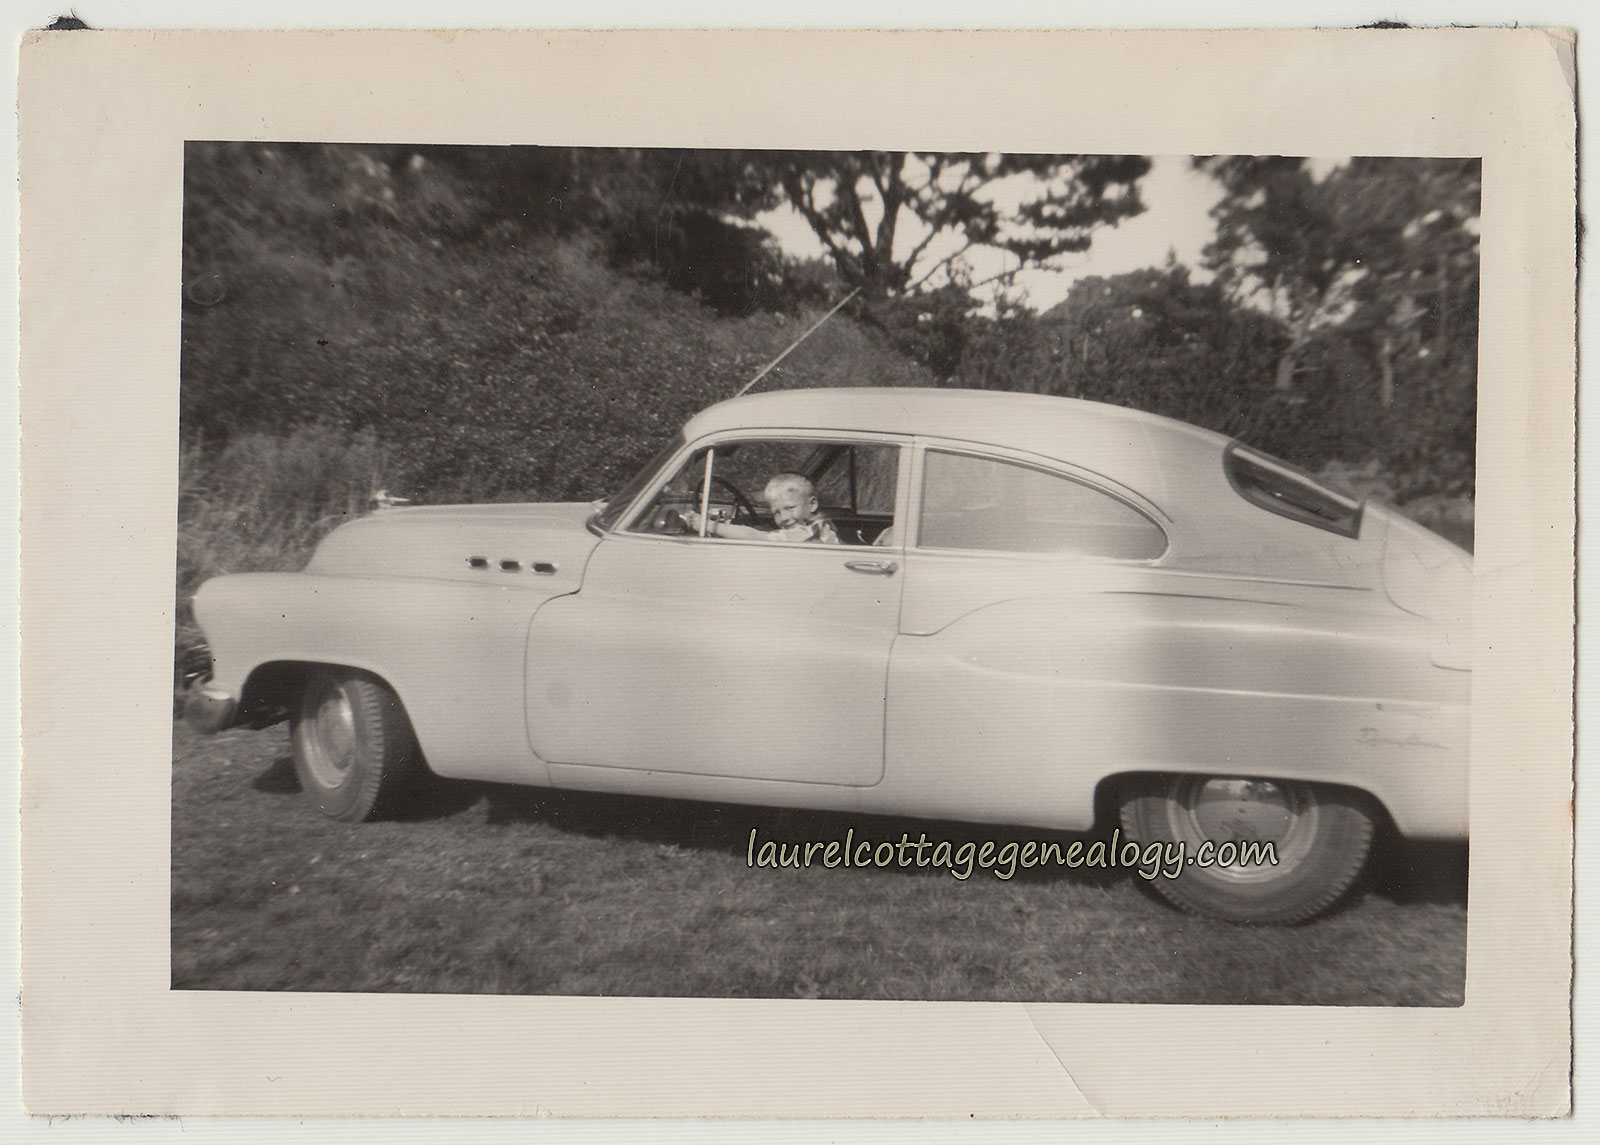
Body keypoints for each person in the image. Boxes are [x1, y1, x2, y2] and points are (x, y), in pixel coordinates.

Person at [684, 472, 839, 544]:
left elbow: (756, 537)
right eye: (776, 513)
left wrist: (709, 525)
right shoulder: (820, 523)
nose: (784, 518)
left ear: (812, 504)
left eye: (790, 508)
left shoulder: (809, 532)